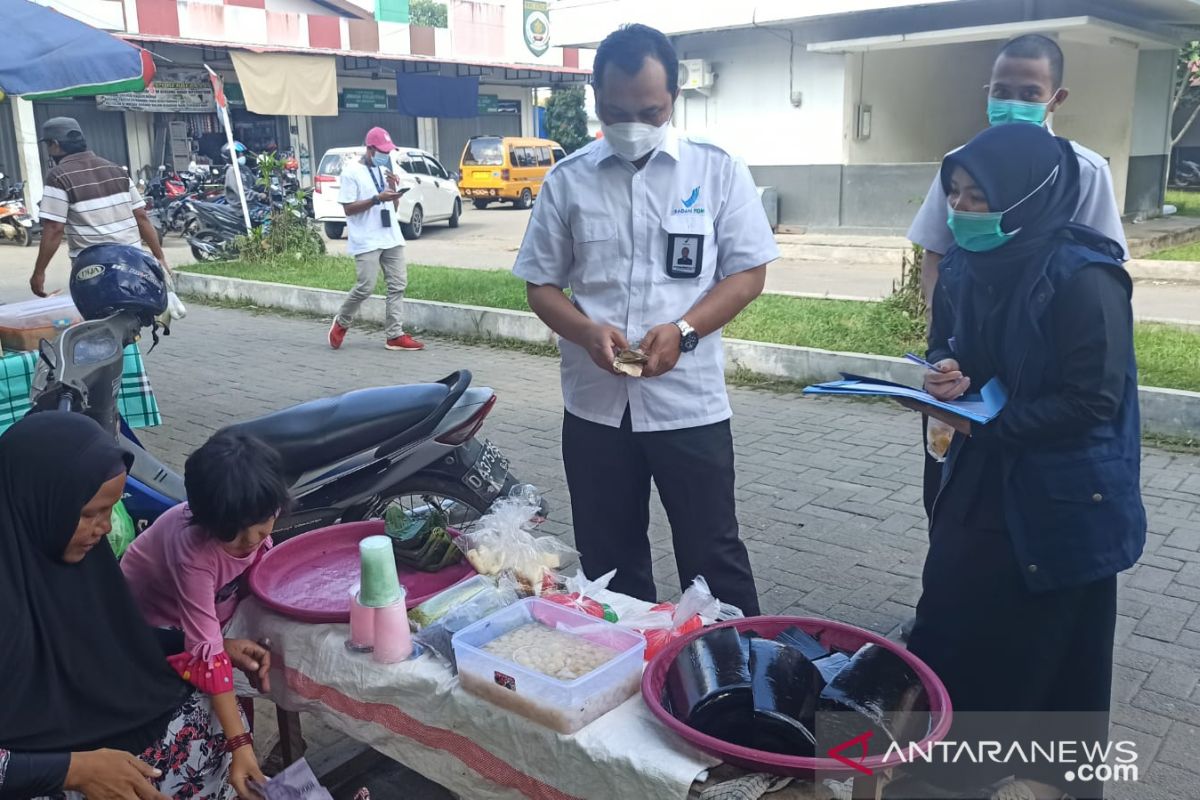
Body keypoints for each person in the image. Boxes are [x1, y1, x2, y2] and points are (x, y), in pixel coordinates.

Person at [891, 123, 1146, 800]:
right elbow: (949, 341)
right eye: (957, 195)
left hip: (1062, 505)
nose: (964, 212)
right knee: (948, 626)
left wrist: (992, 423)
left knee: (1050, 665)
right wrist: (945, 369)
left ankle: (1030, 782)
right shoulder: (969, 266)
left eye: (980, 196)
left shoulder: (1086, 279)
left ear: (1031, 194)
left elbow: (1093, 400)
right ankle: (940, 779)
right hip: (983, 479)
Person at [513, 24, 778, 616]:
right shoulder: (568, 180)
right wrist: (584, 330)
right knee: (608, 564)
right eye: (615, 110)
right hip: (595, 409)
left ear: (675, 99)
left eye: (650, 110)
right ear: (596, 101)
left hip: (690, 404)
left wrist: (685, 331)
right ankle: (626, 685)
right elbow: (540, 284)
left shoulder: (716, 172)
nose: (632, 123)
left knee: (714, 557)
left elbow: (748, 274)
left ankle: (738, 687)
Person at [0, 412, 251, 800]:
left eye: (109, 510)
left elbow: (110, 638)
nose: (104, 529)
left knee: (210, 702)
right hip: (33, 769)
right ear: (38, 501)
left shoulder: (74, 560)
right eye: (89, 514)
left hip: (87, 720)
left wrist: (195, 647)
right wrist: (72, 770)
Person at [121, 430, 288, 797]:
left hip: (203, 619)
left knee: (233, 697)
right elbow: (205, 654)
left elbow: (249, 577)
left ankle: (243, 763)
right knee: (215, 708)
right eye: (234, 536)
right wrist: (239, 741)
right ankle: (235, 763)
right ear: (205, 520)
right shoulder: (194, 553)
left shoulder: (252, 519)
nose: (249, 541)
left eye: (260, 530)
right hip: (149, 631)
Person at [908, 34, 1128, 309]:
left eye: (1029, 94)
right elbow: (935, 250)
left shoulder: (1083, 171)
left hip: (1048, 332)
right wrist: (937, 325)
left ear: (1057, 99)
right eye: (1001, 93)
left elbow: (1104, 263)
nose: (1012, 104)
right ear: (987, 93)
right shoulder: (958, 165)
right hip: (969, 328)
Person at [31, 117, 171, 298]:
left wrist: (39, 272)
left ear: (55, 145)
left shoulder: (58, 176)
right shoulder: (116, 170)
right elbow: (141, 217)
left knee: (96, 318)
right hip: (132, 261)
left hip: (93, 267)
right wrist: (159, 257)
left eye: (48, 146)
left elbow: (54, 228)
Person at [328, 127, 424, 352]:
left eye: (388, 151)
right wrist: (375, 198)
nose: (385, 155)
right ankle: (342, 321)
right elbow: (349, 209)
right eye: (381, 151)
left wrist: (392, 190)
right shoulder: (351, 172)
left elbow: (393, 206)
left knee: (398, 285)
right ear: (369, 149)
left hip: (390, 236)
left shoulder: (383, 171)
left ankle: (395, 335)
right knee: (365, 287)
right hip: (367, 239)